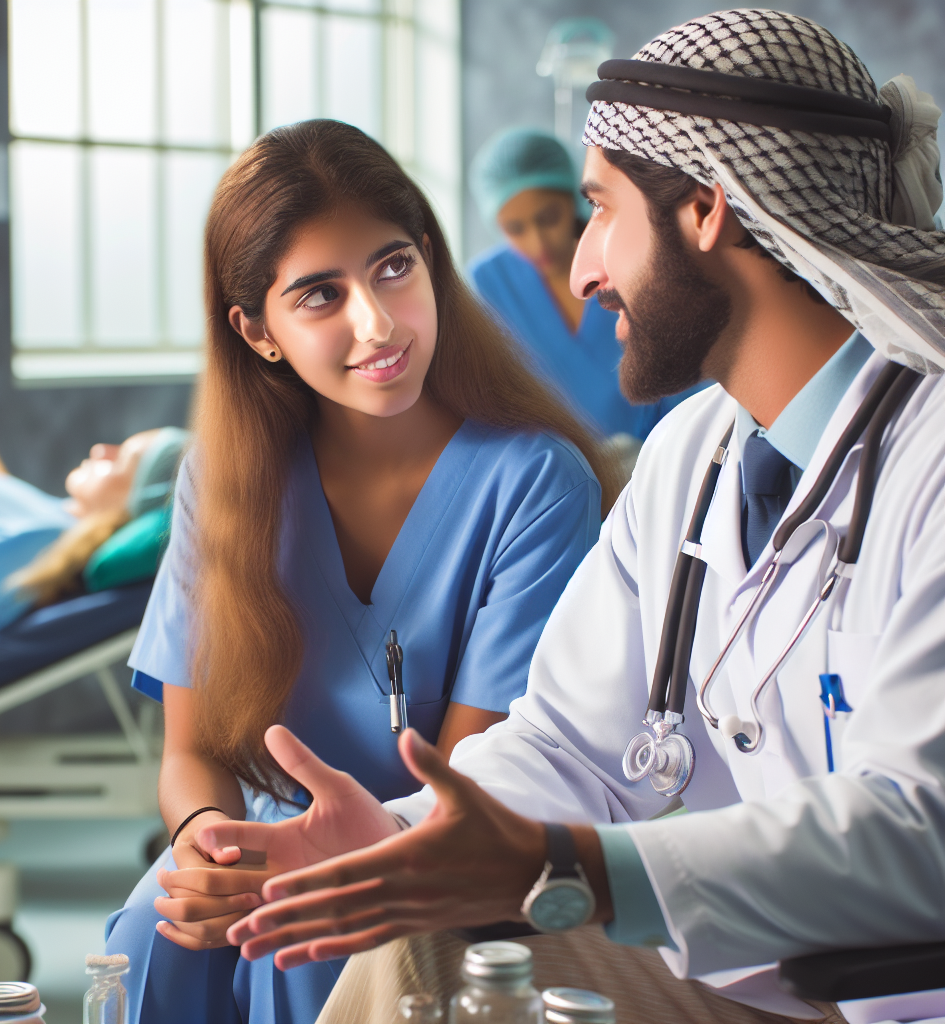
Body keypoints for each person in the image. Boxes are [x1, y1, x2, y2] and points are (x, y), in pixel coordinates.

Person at [194, 11, 945, 1024]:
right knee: (432, 946)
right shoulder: (692, 453)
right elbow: (562, 747)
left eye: (599, 211)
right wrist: (395, 834)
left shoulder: (932, 454)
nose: (582, 270)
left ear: (707, 211)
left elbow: (924, 829)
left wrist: (572, 866)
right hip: (770, 984)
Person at [102, 119, 619, 1024]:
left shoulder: (536, 485)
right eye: (319, 295)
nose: (377, 323)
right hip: (255, 847)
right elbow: (189, 755)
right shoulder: (220, 482)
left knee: (312, 940)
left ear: (430, 260)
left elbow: (471, 783)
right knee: (154, 931)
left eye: (393, 268)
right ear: (257, 331)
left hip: (432, 855)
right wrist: (201, 845)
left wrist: (316, 861)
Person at [468, 127, 700, 449]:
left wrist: (661, 454)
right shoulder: (489, 284)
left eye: (548, 218)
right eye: (515, 229)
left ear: (576, 198)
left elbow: (686, 377)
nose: (538, 242)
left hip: (658, 455)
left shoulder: (625, 257)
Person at [0, 375, 188, 645]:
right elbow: (3, 502)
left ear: (132, 507)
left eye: (119, 460)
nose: (100, 451)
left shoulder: (48, 544)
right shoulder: (53, 523)